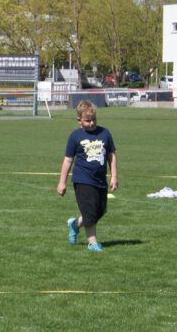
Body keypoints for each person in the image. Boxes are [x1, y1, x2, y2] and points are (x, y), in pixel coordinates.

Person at [57, 100, 118, 252]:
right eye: (87, 120)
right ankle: (92, 243)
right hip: (82, 179)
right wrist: (62, 182)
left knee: (100, 210)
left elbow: (111, 156)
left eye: (94, 120)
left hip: (100, 180)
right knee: (90, 210)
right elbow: (68, 160)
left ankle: (75, 224)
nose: (91, 123)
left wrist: (114, 176)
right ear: (79, 120)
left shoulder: (105, 133)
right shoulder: (75, 136)